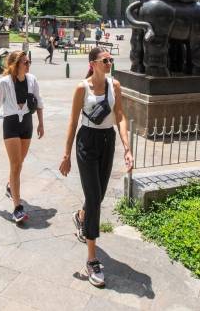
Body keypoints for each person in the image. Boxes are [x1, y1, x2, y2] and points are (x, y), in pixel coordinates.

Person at [59, 47, 133, 288]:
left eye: (111, 59)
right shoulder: (83, 88)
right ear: (93, 64)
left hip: (107, 141)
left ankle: (81, 217)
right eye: (105, 60)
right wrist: (66, 154)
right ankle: (92, 260)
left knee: (98, 196)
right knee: (93, 198)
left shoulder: (115, 85)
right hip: (87, 141)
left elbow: (120, 116)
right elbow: (72, 121)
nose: (110, 62)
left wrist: (127, 147)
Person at [0, 50, 44, 224]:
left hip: (27, 123)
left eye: (29, 61)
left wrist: (41, 123)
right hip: (11, 124)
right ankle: (17, 207)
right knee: (16, 164)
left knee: (20, 162)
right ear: (16, 64)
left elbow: (39, 102)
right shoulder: (3, 82)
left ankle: (10, 186)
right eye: (25, 62)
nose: (28, 64)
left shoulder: (32, 80)